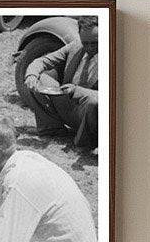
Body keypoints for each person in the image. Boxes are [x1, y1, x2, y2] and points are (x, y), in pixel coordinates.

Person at [22, 15, 100, 148]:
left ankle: (84, 143)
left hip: (93, 116)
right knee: (41, 79)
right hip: (71, 107)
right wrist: (31, 76)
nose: (90, 47)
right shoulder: (75, 47)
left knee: (94, 102)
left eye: (95, 43)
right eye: (85, 43)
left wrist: (76, 90)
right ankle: (52, 130)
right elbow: (42, 61)